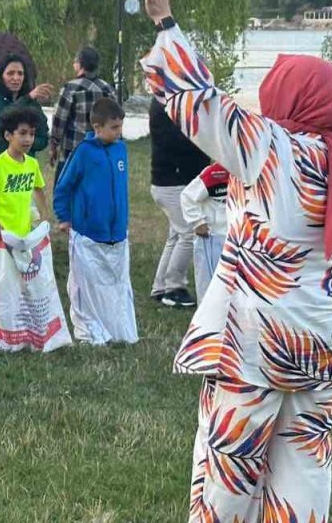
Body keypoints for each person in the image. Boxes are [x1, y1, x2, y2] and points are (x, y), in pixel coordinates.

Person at [142, 0, 332, 523]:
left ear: (285, 101)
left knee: (232, 450)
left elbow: (198, 101)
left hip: (256, 336)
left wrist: (167, 23)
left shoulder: (266, 146)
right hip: (325, 337)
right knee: (306, 454)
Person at [52, 97, 138, 346]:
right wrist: (64, 218)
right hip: (88, 231)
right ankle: (90, 330)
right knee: (86, 286)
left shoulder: (121, 150)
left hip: (117, 233)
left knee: (116, 284)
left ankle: (118, 327)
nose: (119, 132)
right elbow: (64, 187)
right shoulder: (84, 153)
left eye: (121, 126)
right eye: (114, 128)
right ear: (97, 127)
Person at [148, 96, 211, 309]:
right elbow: (178, 140)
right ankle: (174, 287)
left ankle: (160, 287)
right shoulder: (168, 104)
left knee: (176, 234)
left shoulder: (172, 102)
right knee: (188, 232)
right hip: (172, 182)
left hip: (172, 180)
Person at [0, 106, 49, 247]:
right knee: (2, 270)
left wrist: (44, 217)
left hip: (24, 234)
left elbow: (38, 189)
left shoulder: (32, 164)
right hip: (2, 234)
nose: (28, 139)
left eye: (32, 134)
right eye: (23, 133)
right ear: (8, 136)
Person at [0, 54, 53, 169]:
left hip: (23, 169)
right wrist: (27, 98)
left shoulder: (32, 103)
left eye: (20, 73)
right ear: (1, 75)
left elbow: (43, 138)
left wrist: (26, 142)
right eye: (10, 73)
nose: (16, 78)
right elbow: (1, 117)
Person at [48, 46, 115, 172]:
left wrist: (53, 145)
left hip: (74, 152)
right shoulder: (108, 89)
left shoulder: (71, 88)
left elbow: (59, 120)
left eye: (75, 62)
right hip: (101, 151)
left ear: (80, 65)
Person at [180, 162, 230, 302]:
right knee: (208, 283)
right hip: (212, 237)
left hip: (237, 236)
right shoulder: (215, 173)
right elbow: (188, 196)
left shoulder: (251, 174)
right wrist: (198, 222)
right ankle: (206, 320)